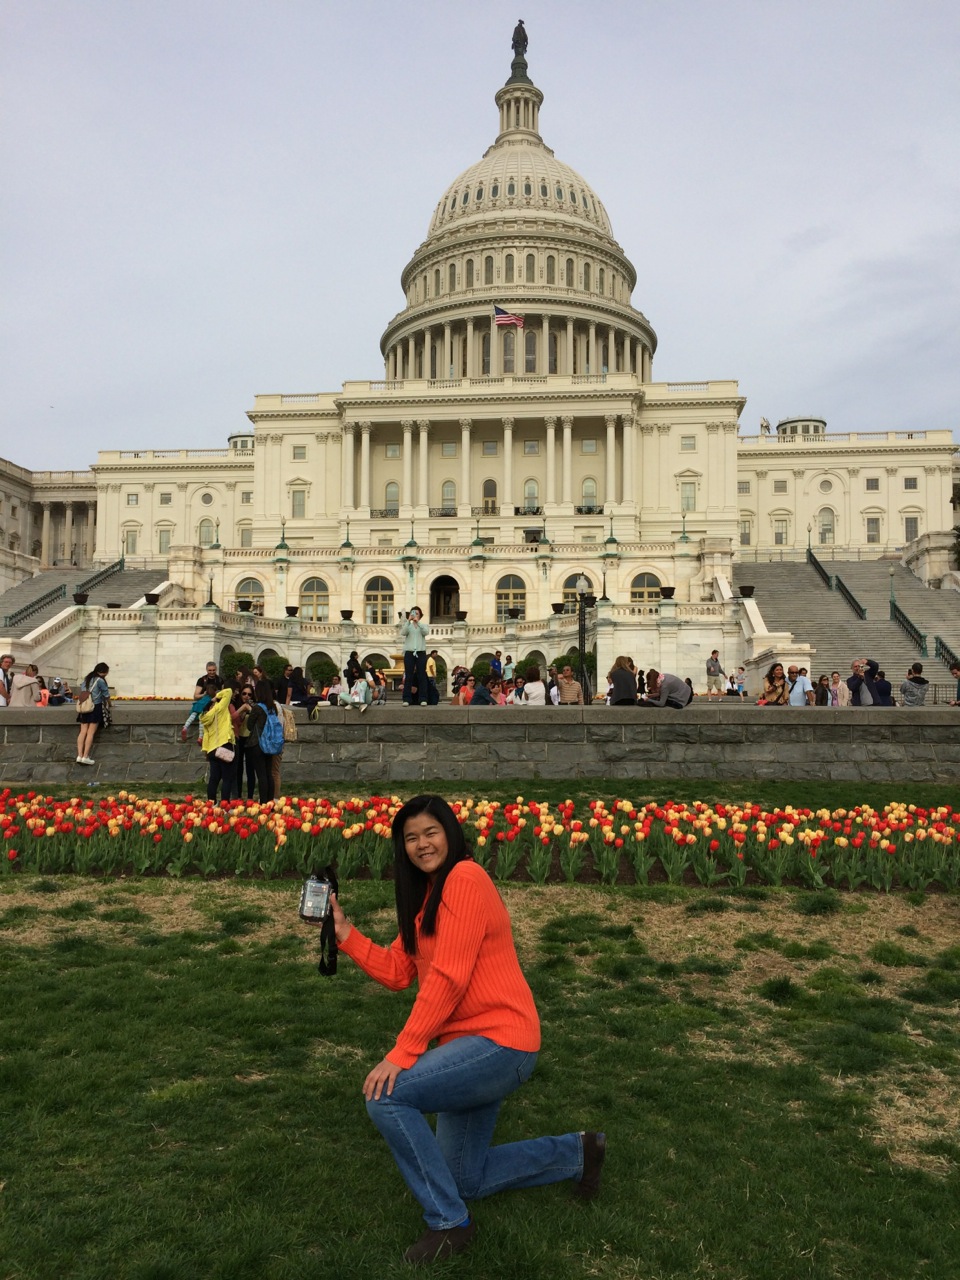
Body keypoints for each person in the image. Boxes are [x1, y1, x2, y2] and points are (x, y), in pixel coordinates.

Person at [326, 794, 604, 1264]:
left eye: (430, 833)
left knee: (386, 1096)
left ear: (450, 834)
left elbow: (449, 980)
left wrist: (402, 1052)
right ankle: (579, 1153)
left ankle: (448, 1222)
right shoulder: (428, 897)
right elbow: (398, 971)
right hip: (469, 1047)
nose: (421, 844)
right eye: (410, 838)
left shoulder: (465, 879)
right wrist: (345, 932)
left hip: (501, 1042)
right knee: (462, 1178)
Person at [244, 680, 282, 800]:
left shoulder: (258, 708)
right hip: (270, 743)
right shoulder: (273, 707)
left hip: (257, 743)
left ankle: (264, 802)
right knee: (268, 773)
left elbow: (249, 725)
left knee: (261, 775)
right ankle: (270, 801)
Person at [199, 683, 238, 802]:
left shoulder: (204, 717)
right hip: (224, 745)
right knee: (227, 778)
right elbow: (229, 691)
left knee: (214, 779)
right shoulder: (220, 708)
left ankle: (211, 803)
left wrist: (206, 751)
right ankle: (225, 804)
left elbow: (206, 735)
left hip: (212, 749)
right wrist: (216, 697)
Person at [76, 662, 111, 765]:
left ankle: (79, 755)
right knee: (90, 733)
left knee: (83, 732)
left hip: (84, 706)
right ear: (104, 672)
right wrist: (110, 704)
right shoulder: (100, 680)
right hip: (95, 707)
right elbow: (106, 695)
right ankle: (86, 756)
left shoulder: (87, 679)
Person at [400, 607, 429, 706]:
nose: (415, 615)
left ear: (420, 615)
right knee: (408, 676)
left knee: (422, 675)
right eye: (413, 613)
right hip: (409, 652)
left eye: (417, 613)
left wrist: (418, 622)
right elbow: (403, 633)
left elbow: (426, 632)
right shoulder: (408, 626)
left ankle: (423, 698)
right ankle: (406, 699)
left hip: (420, 652)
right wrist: (408, 621)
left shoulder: (423, 625)